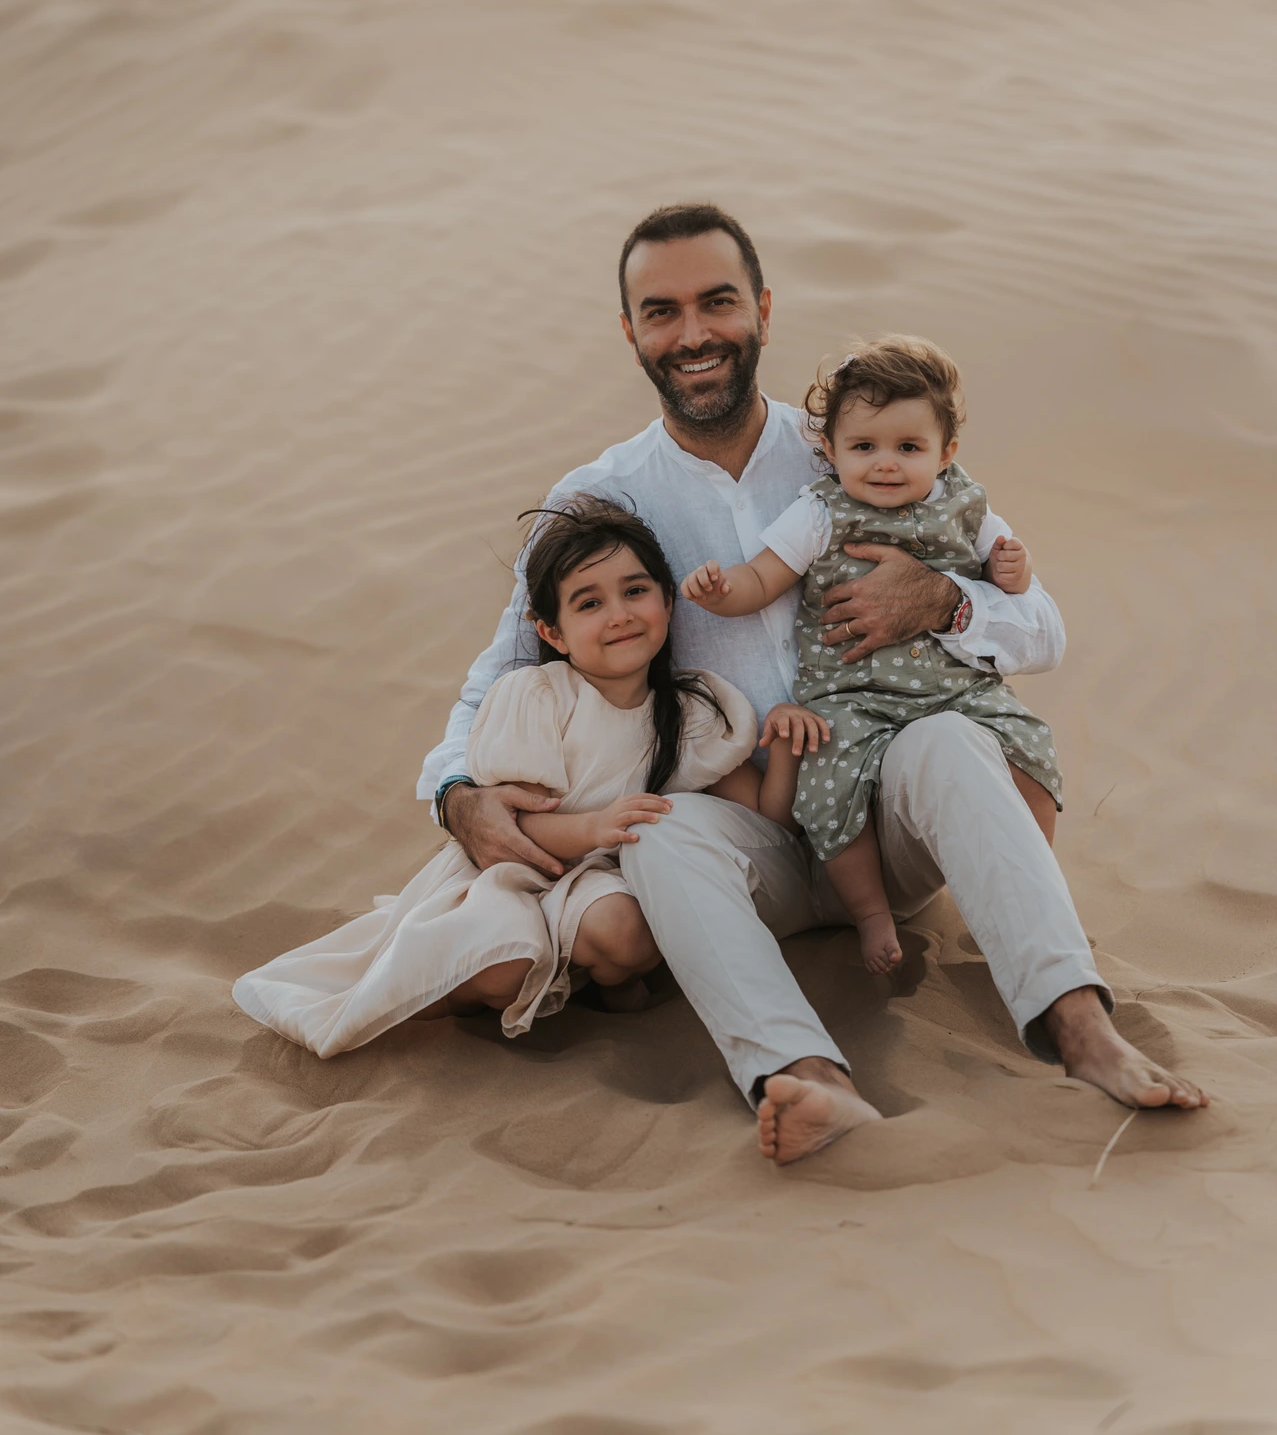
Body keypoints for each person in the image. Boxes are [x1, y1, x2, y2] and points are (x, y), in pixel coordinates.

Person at [422, 203, 1207, 1162]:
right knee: (662, 840)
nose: (694, 333)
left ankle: (1076, 1022)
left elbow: (1041, 628)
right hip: (752, 834)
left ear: (760, 307)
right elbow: (498, 675)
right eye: (661, 311)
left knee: (950, 739)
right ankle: (804, 1077)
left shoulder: (869, 439)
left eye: (717, 302)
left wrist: (946, 603)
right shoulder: (609, 493)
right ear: (630, 333)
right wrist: (455, 791)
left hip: (896, 830)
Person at [232, 496, 821, 1054]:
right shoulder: (538, 697)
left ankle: (606, 982)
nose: (618, 615)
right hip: (516, 870)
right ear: (552, 632)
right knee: (504, 963)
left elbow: (763, 823)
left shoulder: (694, 710)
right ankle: (437, 993)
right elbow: (519, 830)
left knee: (626, 932)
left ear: (668, 600)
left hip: (599, 883)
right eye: (588, 604)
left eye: (635, 591)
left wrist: (787, 745)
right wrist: (593, 828)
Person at [680, 334, 1062, 979]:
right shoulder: (820, 514)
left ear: (947, 454)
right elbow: (764, 578)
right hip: (849, 694)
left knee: (1029, 756)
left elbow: (1020, 595)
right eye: (864, 447)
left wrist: (1012, 571)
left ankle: (1034, 897)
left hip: (955, 686)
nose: (886, 463)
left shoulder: (968, 505)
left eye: (908, 447)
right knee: (832, 788)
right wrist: (722, 593)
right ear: (828, 450)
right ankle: (872, 915)